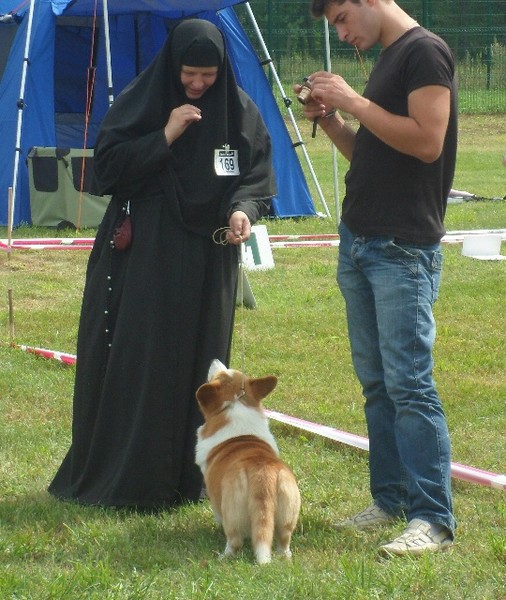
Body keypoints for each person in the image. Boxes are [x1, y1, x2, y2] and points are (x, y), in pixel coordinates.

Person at [48, 19, 276, 509]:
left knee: (202, 359)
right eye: (189, 74)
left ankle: (188, 478)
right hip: (148, 254)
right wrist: (166, 134)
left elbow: (255, 176)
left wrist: (244, 209)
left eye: (207, 77)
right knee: (145, 357)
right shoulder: (142, 103)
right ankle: (135, 478)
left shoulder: (239, 113)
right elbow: (105, 170)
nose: (197, 85)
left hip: (209, 259)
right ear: (173, 68)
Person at [297, 0, 457, 555]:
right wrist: (331, 118)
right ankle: (389, 500)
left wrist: (354, 100)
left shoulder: (425, 52)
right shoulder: (389, 57)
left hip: (401, 246)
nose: (341, 33)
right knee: (378, 385)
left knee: (410, 385)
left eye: (342, 18)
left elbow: (426, 142)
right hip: (361, 241)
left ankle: (432, 518)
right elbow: (370, 153)